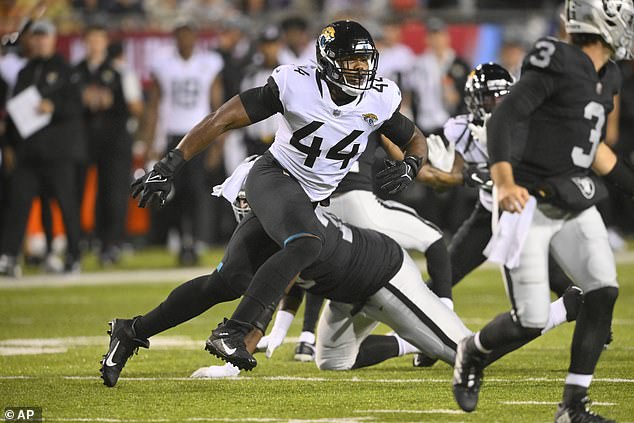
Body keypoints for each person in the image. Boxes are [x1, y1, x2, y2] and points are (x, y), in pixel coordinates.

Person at [129, 20, 428, 370]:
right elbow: (221, 118)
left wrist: (411, 165)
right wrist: (168, 164)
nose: (361, 68)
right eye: (351, 60)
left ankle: (133, 330)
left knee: (227, 282)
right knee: (307, 243)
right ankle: (235, 332)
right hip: (274, 177)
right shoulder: (295, 85)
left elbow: (414, 139)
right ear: (329, 61)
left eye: (365, 59)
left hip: (305, 199)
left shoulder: (379, 96)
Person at [451, 1, 634, 421]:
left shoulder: (609, 75)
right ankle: (472, 352)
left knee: (602, 291)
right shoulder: (557, 60)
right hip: (527, 199)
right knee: (530, 321)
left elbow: (595, 151)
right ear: (603, 20)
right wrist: (504, 181)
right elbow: (503, 118)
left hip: (572, 196)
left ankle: (572, 406)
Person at [0, 19, 85, 277]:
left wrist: (54, 107)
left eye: (43, 37)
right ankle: (9, 256)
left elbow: (76, 108)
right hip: (29, 152)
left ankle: (73, 256)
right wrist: (9, 146)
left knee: (66, 204)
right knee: (18, 203)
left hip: (58, 152)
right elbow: (13, 113)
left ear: (52, 39)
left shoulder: (66, 70)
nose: (39, 41)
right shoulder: (25, 72)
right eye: (35, 37)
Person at [141, 20, 224, 265]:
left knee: (198, 191)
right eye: (181, 37)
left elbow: (217, 107)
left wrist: (218, 143)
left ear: (195, 39)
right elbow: (153, 106)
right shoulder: (163, 65)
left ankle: (197, 240)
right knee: (172, 191)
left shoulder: (209, 63)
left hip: (201, 134)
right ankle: (179, 238)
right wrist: (150, 142)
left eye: (189, 37)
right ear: (175, 39)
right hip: (173, 136)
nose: (185, 42)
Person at [73, 24, 140, 265]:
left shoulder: (121, 72)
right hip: (83, 139)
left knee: (112, 194)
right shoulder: (75, 72)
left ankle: (110, 244)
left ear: (104, 42)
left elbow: (136, 107)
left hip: (115, 140)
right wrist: (81, 99)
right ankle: (77, 243)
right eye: (90, 40)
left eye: (98, 40)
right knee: (75, 191)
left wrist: (110, 100)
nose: (94, 45)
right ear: (85, 43)